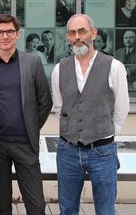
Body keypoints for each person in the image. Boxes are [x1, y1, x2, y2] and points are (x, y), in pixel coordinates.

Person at [0, 14, 52, 215]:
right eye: (0, 32)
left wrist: (30, 126)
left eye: (10, 32)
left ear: (17, 35)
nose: (5, 36)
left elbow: (45, 101)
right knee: (1, 205)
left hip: (25, 144)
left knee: (36, 206)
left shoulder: (32, 62)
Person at [51, 14, 129, 215]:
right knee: (67, 209)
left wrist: (106, 131)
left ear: (93, 33)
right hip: (68, 150)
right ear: (68, 37)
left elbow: (122, 107)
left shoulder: (114, 66)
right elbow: (60, 108)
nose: (77, 36)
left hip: (102, 151)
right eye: (72, 32)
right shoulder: (60, 69)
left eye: (82, 31)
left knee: (105, 210)